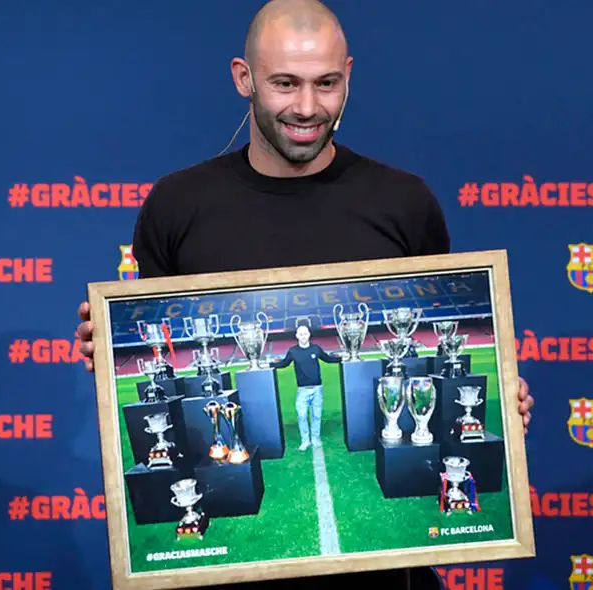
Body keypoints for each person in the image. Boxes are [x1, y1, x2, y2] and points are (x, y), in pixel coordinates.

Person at [76, 0, 533, 587]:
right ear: (244, 78)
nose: (308, 108)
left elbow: (434, 353)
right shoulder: (177, 206)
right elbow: (162, 363)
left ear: (349, 75)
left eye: (327, 84)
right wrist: (111, 352)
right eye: (285, 84)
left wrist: (498, 389)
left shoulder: (405, 203)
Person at [268, 323, 342, 451]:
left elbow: (328, 359)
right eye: (300, 334)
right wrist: (269, 364)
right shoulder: (293, 351)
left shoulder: (316, 349)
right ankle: (305, 440)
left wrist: (342, 359)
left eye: (305, 333)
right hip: (302, 390)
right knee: (302, 416)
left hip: (317, 389)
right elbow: (284, 364)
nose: (303, 336)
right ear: (297, 336)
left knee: (316, 415)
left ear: (309, 334)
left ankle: (315, 438)